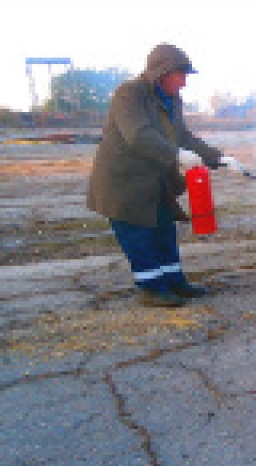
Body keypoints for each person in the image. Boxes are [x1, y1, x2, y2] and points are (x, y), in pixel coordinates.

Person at [87, 43, 242, 308]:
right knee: (139, 236)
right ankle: (151, 289)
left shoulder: (171, 100)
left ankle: (174, 281)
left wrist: (217, 158)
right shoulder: (130, 93)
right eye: (181, 75)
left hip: (154, 181)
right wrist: (176, 155)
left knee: (163, 231)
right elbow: (138, 135)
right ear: (163, 71)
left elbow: (183, 136)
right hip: (124, 182)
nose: (184, 83)